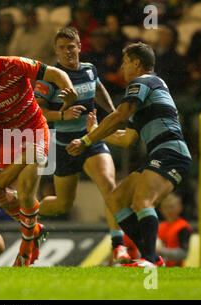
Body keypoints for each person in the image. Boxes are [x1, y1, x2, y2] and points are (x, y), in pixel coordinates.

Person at [0, 37, 77, 266]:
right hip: (4, 140)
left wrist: (70, 91)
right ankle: (34, 228)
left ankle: (26, 251)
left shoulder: (14, 64)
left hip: (34, 131)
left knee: (27, 192)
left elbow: (55, 74)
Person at [68, 42, 192, 267]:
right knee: (116, 200)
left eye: (125, 62)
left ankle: (148, 259)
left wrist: (87, 140)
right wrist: (96, 132)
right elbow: (126, 138)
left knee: (142, 200)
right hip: (161, 153)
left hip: (171, 151)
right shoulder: (147, 95)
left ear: (137, 63)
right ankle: (152, 257)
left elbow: (119, 116)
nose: (122, 68)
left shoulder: (143, 81)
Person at [33, 27, 130, 264]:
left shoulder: (89, 69)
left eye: (71, 47)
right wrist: (63, 116)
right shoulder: (50, 77)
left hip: (91, 139)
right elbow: (38, 113)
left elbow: (98, 88)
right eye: (62, 48)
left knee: (109, 186)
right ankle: (27, 209)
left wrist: (113, 112)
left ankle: (118, 247)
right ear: (56, 51)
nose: (67, 52)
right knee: (62, 204)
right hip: (64, 146)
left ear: (79, 46)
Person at [156, 192, 192, 267]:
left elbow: (183, 254)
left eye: (171, 207)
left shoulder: (183, 227)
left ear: (180, 207)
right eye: (165, 207)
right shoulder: (159, 227)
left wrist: (160, 250)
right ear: (161, 209)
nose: (168, 211)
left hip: (176, 267)